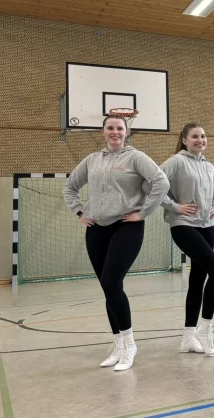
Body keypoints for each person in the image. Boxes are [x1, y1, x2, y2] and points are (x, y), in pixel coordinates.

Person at [63, 114, 169, 371]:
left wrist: (143, 212)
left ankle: (130, 344)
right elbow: (70, 187)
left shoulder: (136, 157)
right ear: (103, 131)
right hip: (96, 229)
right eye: (110, 128)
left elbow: (161, 182)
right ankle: (118, 344)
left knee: (112, 281)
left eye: (120, 128)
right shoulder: (92, 160)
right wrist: (80, 212)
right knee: (109, 288)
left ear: (126, 132)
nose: (115, 132)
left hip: (127, 226)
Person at [160, 123, 214, 357]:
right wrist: (175, 206)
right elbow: (154, 184)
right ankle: (204, 330)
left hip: (207, 227)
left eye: (203, 136)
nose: (200, 140)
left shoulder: (209, 166)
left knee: (198, 280)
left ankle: (188, 337)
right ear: (185, 140)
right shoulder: (176, 162)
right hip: (184, 226)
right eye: (195, 136)